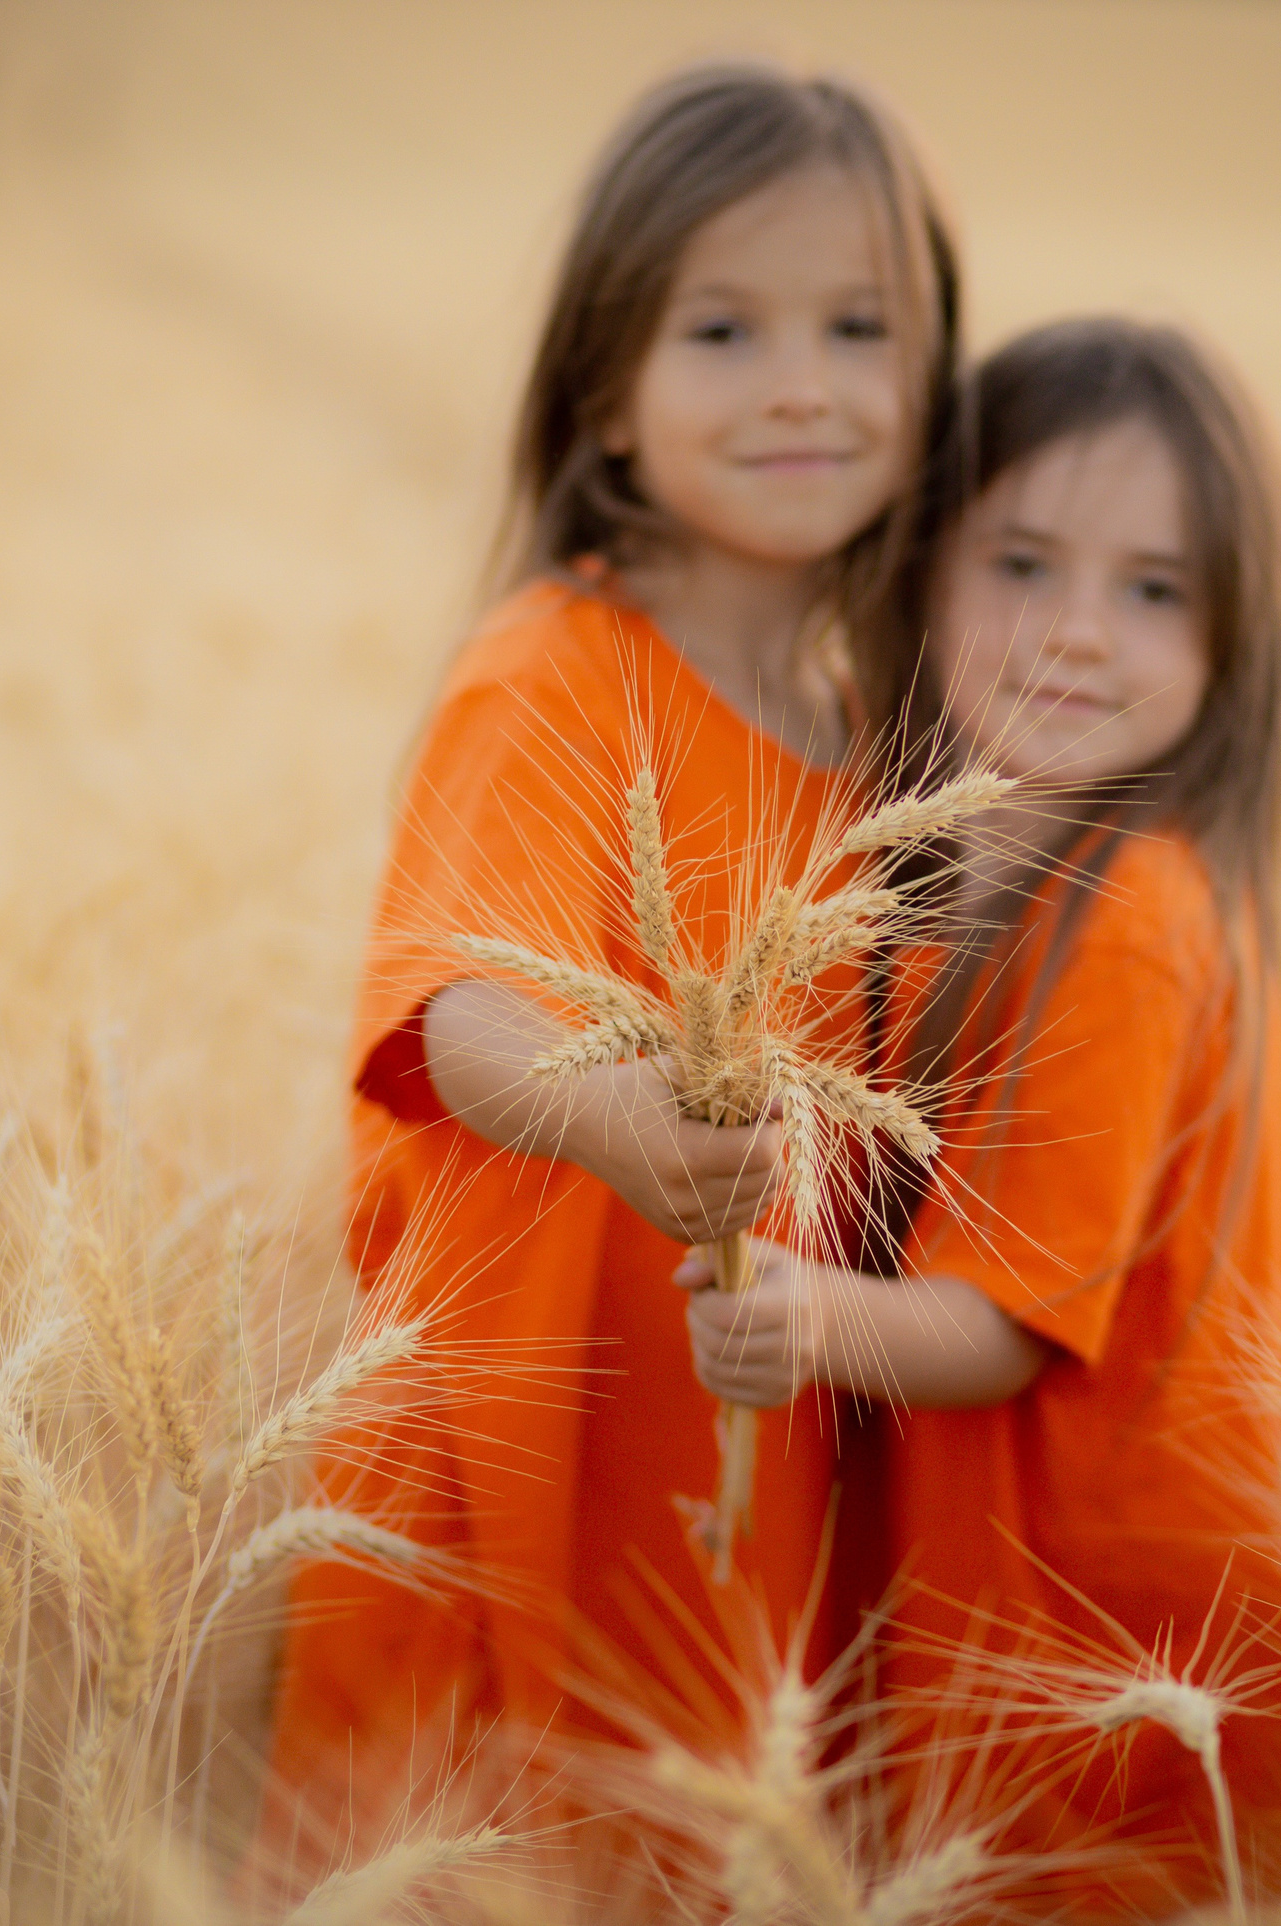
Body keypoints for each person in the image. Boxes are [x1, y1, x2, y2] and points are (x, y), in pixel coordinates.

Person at [255, 60, 962, 1850]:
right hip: (514, 1503)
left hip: (733, 1520)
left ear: (936, 377)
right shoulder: (555, 668)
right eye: (724, 329)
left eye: (860, 326)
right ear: (609, 394)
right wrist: (613, 1116)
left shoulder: (870, 731)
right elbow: (459, 1001)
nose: (803, 383)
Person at [678, 317, 1281, 1910]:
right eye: (1022, 564)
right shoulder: (951, 878)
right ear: (924, 571)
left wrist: (799, 1316)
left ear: (1232, 641)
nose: (1076, 632)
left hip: (1128, 1641)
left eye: (1152, 589)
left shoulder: (1130, 915)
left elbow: (1003, 1321)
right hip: (1043, 1612)